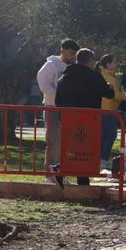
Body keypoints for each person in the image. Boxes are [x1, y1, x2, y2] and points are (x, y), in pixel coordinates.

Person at [54, 48, 115, 186]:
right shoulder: (94, 76)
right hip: (90, 120)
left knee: (72, 148)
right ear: (90, 61)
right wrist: (110, 87)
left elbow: (57, 100)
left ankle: (62, 169)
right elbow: (109, 94)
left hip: (69, 119)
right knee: (86, 150)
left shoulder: (64, 78)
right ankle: (82, 180)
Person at [37, 38, 78, 183]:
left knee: (64, 144)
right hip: (52, 108)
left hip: (67, 109)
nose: (73, 57)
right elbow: (43, 84)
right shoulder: (50, 65)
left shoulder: (73, 67)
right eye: (71, 53)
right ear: (62, 51)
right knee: (53, 143)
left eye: (75, 54)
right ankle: (50, 175)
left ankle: (60, 174)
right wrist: (59, 96)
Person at [97, 53, 124, 170]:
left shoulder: (110, 75)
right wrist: (125, 96)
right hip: (107, 109)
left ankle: (100, 159)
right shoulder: (106, 76)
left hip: (109, 109)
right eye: (115, 62)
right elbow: (114, 94)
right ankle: (103, 159)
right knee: (111, 134)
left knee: (105, 135)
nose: (117, 64)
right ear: (108, 64)